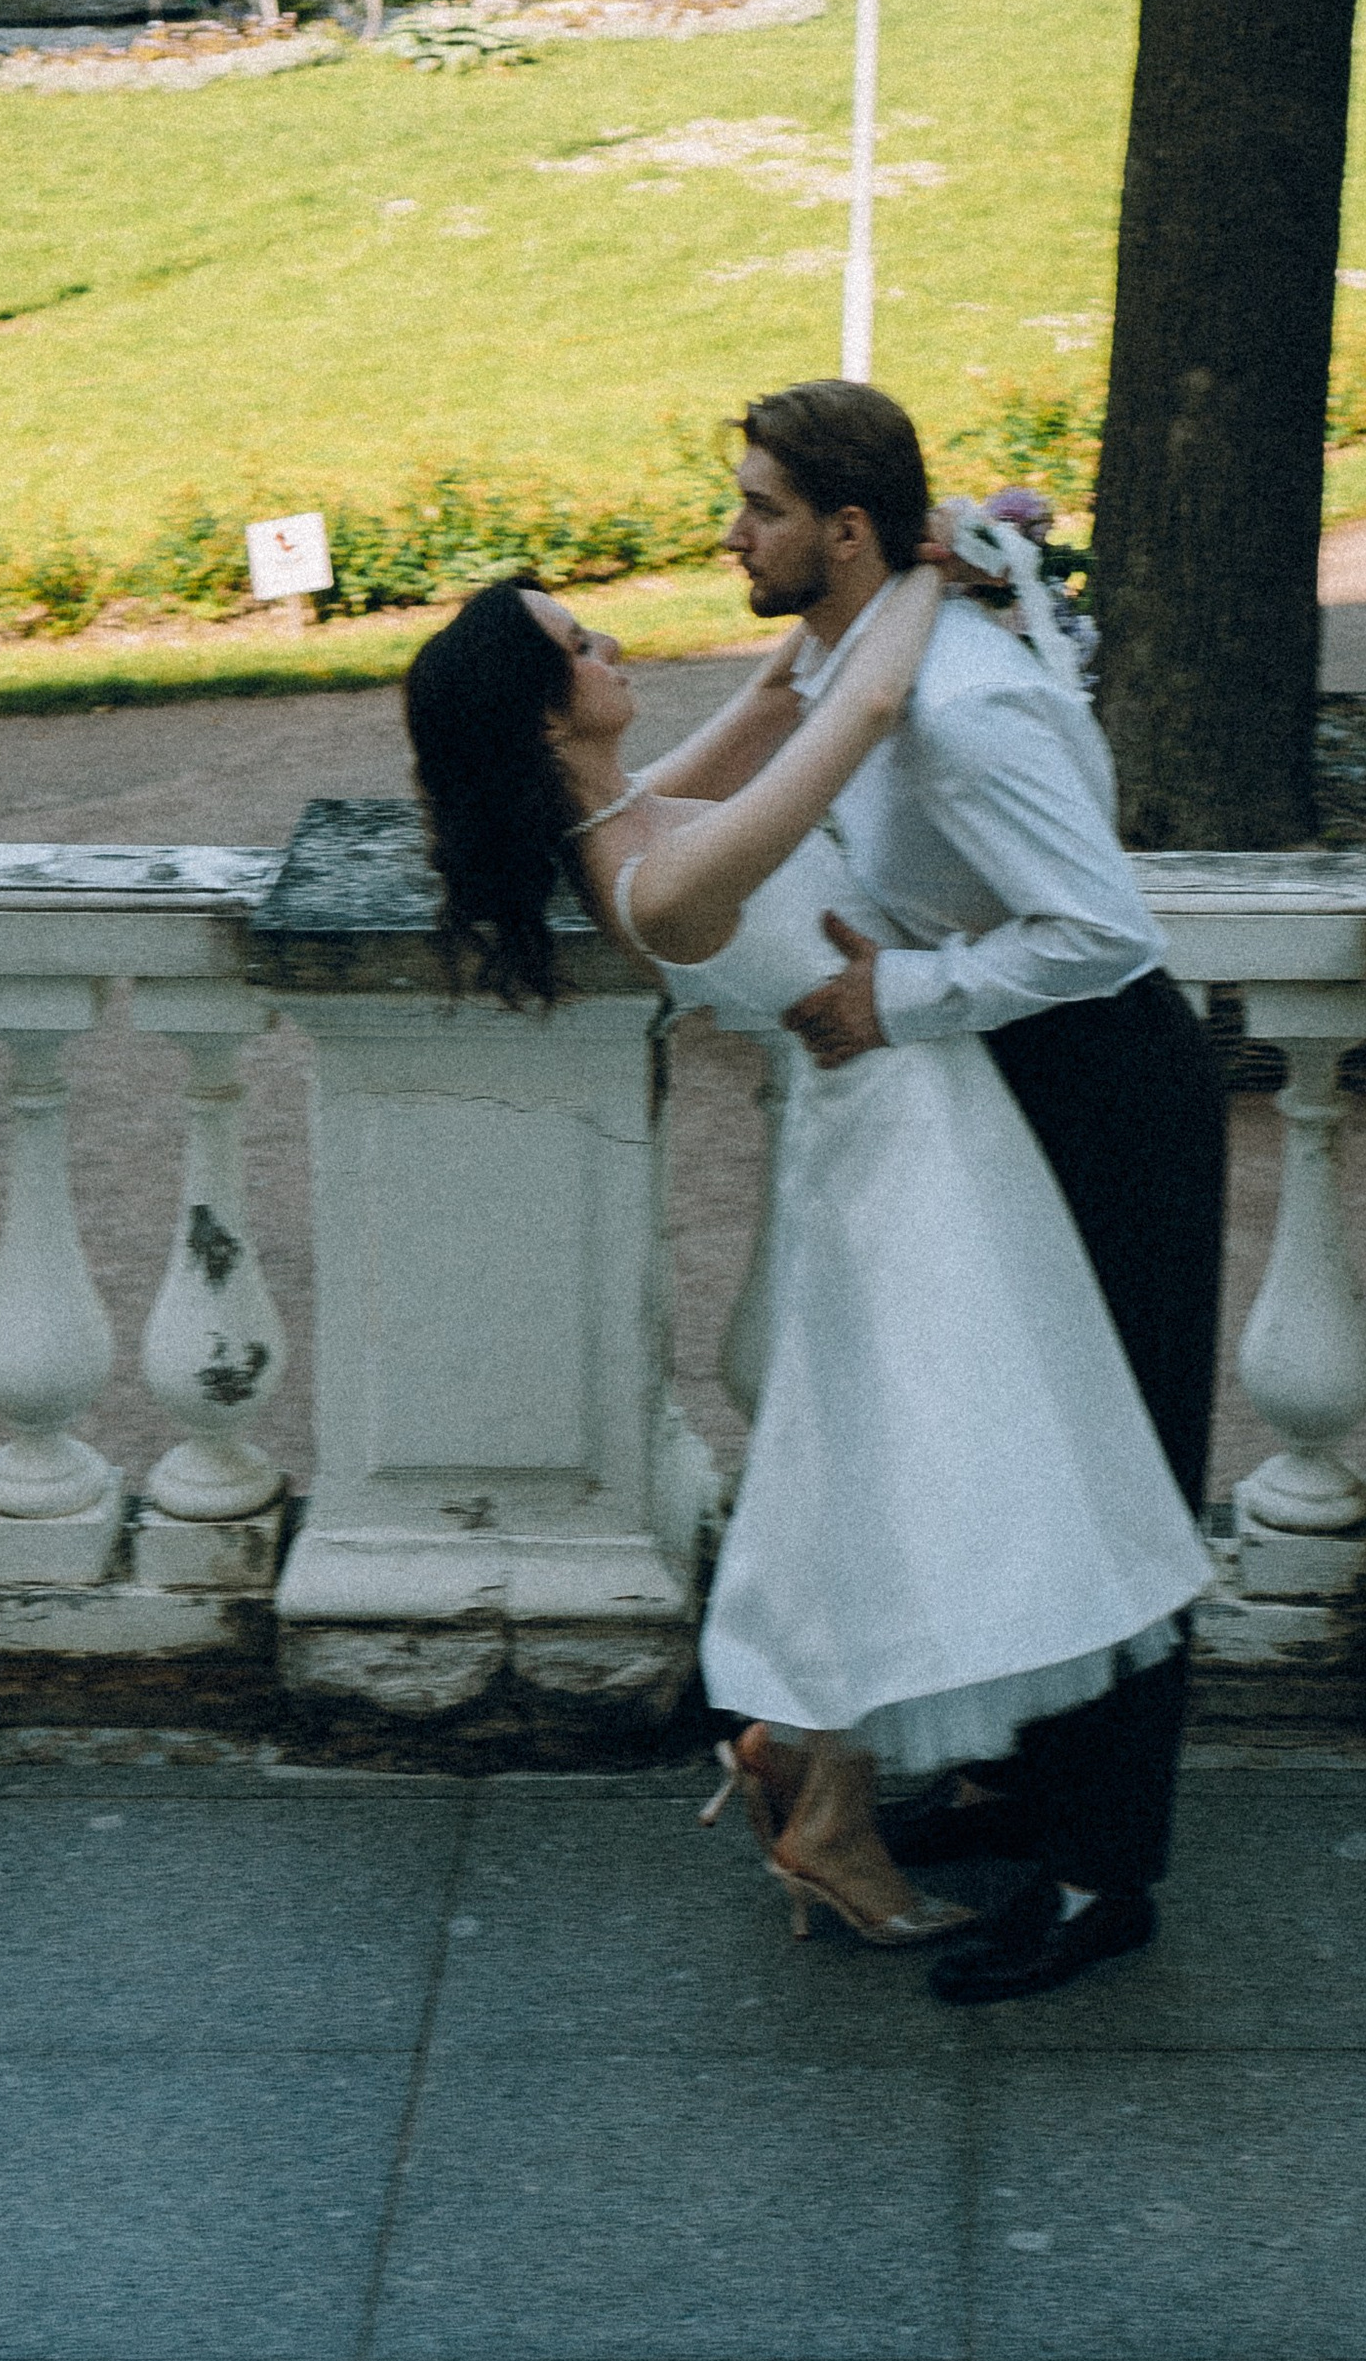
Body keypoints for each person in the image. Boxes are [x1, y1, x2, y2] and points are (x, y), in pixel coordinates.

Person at [402, 501, 1214, 1988]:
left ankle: (841, 1778)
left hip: (906, 1131)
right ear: (540, 712)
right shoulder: (664, 875)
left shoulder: (629, 813)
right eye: (578, 645)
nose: (612, 639)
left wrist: (949, 551)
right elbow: (866, 704)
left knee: (911, 1474)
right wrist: (914, 568)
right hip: (913, 1151)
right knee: (969, 1475)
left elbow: (790, 691)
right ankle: (850, 1803)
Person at [723, 378, 1231, 1997]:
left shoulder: (962, 705)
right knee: (1009, 1454)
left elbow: (1104, 930)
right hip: (1004, 1088)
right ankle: (1018, 1786)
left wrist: (900, 1001)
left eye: (761, 508)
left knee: (1114, 1475)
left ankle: (1104, 1878)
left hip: (1106, 1098)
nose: (732, 533)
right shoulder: (857, 653)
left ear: (849, 530)